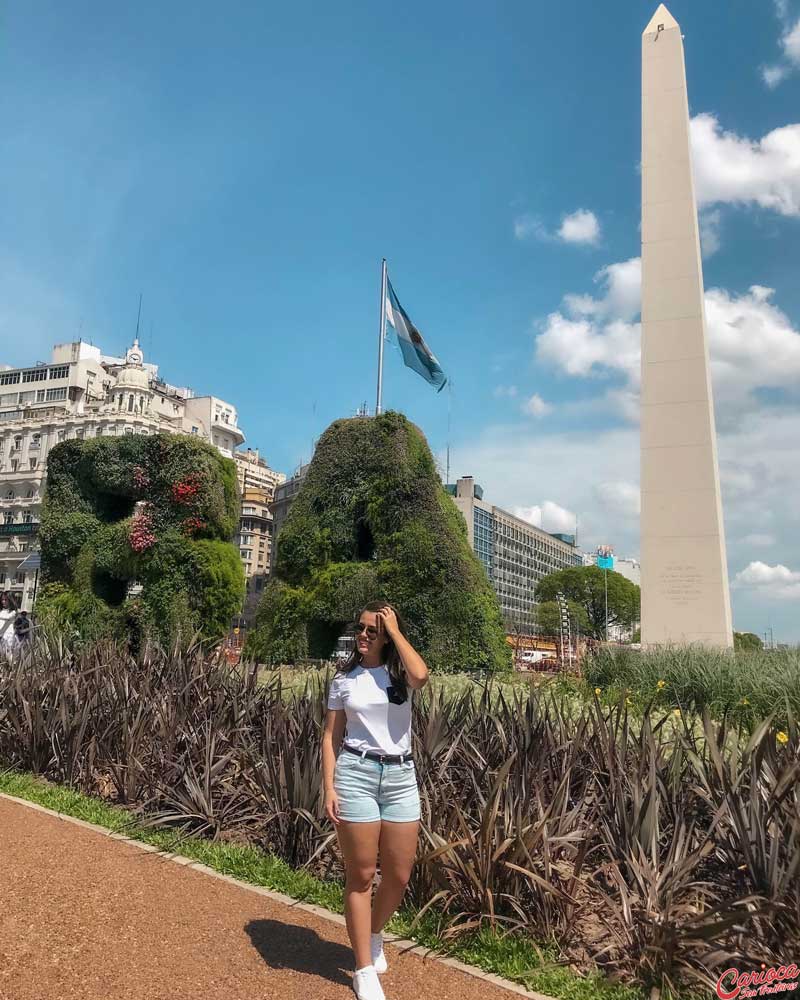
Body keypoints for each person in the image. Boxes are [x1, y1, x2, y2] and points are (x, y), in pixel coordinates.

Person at [322, 602, 429, 1000]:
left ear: (386, 636)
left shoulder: (400, 675)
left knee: (399, 875)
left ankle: (373, 934)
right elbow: (331, 737)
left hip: (401, 777)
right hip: (356, 775)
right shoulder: (343, 678)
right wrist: (329, 786)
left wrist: (396, 632)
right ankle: (363, 969)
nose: (363, 636)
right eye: (361, 629)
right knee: (362, 875)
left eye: (372, 631)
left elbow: (421, 675)